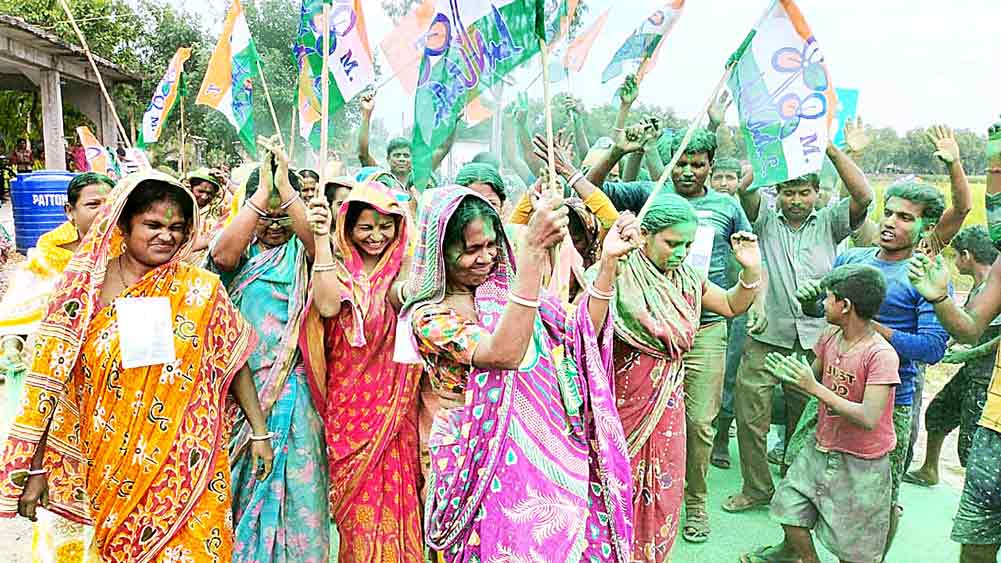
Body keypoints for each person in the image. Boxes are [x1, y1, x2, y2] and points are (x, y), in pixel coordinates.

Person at [0, 171, 274, 561]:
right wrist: (38, 466)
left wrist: (259, 432)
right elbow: (49, 382)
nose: (168, 235)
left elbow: (234, 360)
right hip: (113, 463)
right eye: (154, 225)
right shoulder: (83, 290)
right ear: (124, 224)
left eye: (178, 227)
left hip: (189, 462)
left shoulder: (201, 289)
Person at [395, 185, 636, 560]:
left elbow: (579, 332)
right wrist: (533, 256)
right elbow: (503, 354)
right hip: (469, 452)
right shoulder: (429, 316)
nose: (485, 258)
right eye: (470, 250)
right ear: (439, 251)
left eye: (491, 245)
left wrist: (607, 264)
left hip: (538, 455)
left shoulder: (509, 292)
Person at [603, 191, 761, 559]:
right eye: (672, 243)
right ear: (644, 235)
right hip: (623, 398)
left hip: (668, 399)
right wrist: (609, 264)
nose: (680, 252)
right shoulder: (620, 270)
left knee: (663, 482)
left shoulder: (690, 279)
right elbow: (587, 327)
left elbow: (731, 304)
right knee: (617, 479)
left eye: (688, 244)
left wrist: (750, 269)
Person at [799, 181, 950, 557]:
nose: (891, 223)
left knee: (880, 498)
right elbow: (830, 316)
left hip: (889, 404)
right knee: (805, 477)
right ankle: (796, 549)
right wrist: (810, 305)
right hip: (831, 389)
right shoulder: (852, 260)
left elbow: (932, 349)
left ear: (925, 228)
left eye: (905, 217)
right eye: (889, 212)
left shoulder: (923, 276)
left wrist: (873, 329)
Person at [724, 142, 874, 515]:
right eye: (788, 192)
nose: (795, 200)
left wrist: (830, 150)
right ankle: (757, 488)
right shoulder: (762, 219)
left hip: (817, 338)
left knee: (805, 420)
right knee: (751, 416)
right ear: (777, 193)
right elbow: (744, 188)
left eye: (804, 192)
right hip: (766, 334)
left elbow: (864, 196)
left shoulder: (830, 221)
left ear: (816, 193)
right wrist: (772, 148)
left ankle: (796, 489)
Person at [207, 141, 329, 562]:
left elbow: (316, 243)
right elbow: (221, 255)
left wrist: (286, 187)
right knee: (240, 489)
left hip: (293, 394)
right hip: (238, 394)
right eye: (265, 217)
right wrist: (263, 193)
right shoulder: (241, 256)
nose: (274, 225)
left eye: (283, 216)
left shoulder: (304, 255)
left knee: (297, 490)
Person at [742, 264, 899, 563]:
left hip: (862, 462)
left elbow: (868, 416)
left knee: (853, 548)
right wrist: (791, 373)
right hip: (822, 447)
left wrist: (812, 387)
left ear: (845, 305)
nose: (822, 304)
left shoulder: (880, 355)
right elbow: (813, 374)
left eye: (828, 298)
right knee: (789, 508)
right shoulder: (830, 335)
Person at [301, 180, 422, 561]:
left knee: (400, 502)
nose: (376, 236)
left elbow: (408, 297)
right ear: (347, 228)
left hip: (395, 408)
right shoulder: (336, 270)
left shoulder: (405, 269)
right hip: (349, 409)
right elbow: (326, 306)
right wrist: (321, 239)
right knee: (356, 514)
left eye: (385, 225)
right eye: (365, 227)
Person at [907, 234, 1001, 563]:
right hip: (989, 404)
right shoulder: (991, 281)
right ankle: (931, 469)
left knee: (967, 446)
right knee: (941, 416)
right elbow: (971, 326)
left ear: (967, 255)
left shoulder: (989, 277)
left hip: (983, 377)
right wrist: (939, 300)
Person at [0, 172, 112, 337]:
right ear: (69, 211)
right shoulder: (45, 259)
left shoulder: (128, 252)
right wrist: (12, 345)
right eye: (93, 204)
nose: (105, 212)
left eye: (111, 204)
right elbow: (14, 317)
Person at [357, 91, 454, 188]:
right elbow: (363, 155)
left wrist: (453, 120)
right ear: (388, 159)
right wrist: (366, 114)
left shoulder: (421, 175)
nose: (402, 159)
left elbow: (443, 148)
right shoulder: (381, 177)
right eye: (397, 155)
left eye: (406, 155)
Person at [186, 167, 229, 264]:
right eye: (200, 191)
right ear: (191, 188)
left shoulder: (218, 210)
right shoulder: (180, 207)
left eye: (209, 193)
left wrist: (226, 182)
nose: (204, 196)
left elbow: (241, 202)